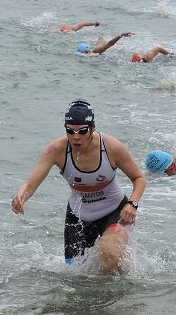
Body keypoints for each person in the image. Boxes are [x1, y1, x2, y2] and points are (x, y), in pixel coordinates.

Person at [11, 100, 146, 272]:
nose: (76, 137)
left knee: (110, 254)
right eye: (70, 131)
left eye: (82, 131)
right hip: (78, 217)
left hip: (114, 212)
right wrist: (20, 197)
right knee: (75, 276)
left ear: (92, 128)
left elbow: (139, 178)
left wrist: (132, 204)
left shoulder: (111, 147)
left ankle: (116, 296)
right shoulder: (56, 150)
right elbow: (30, 183)